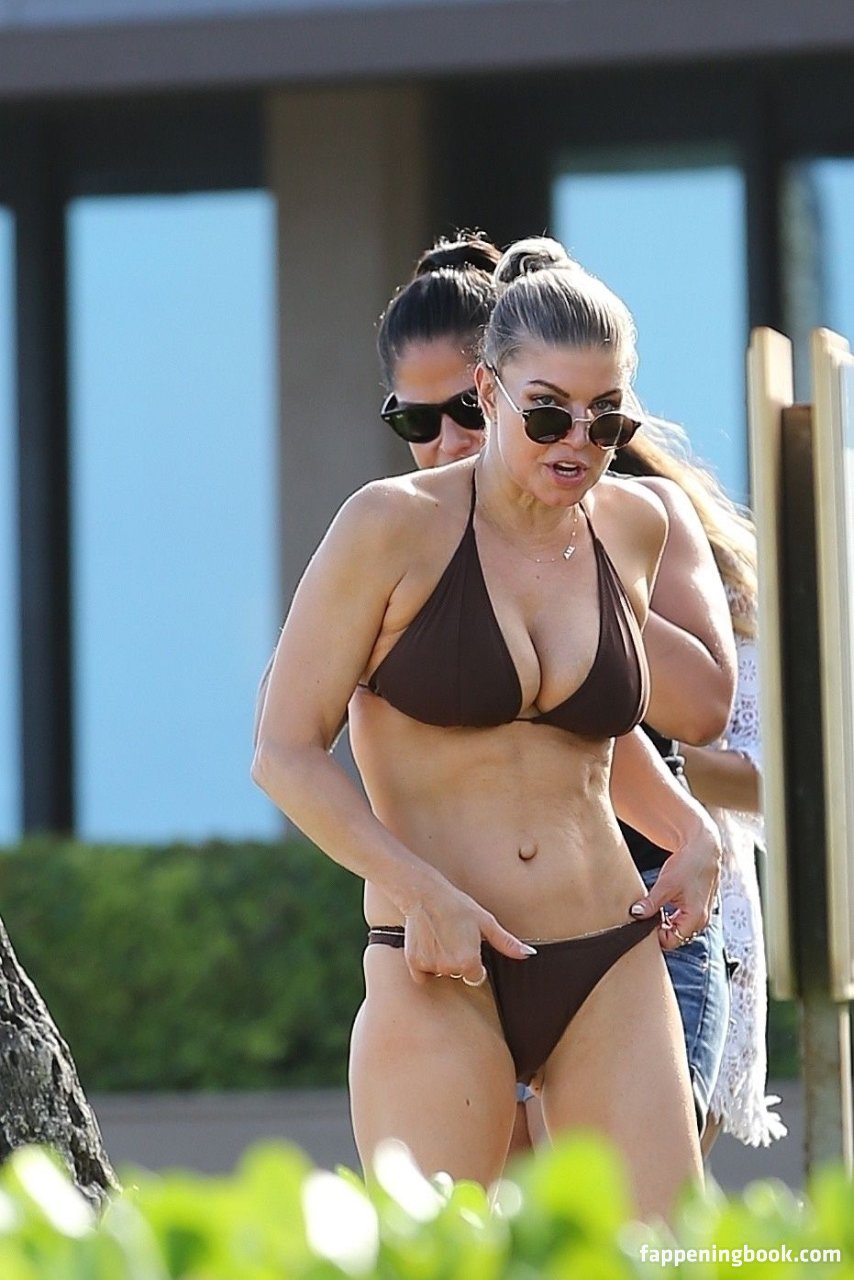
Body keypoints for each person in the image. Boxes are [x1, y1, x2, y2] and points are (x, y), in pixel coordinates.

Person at [252, 233, 723, 1219]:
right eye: (547, 412)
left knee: (671, 1258)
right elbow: (283, 752)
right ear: (489, 389)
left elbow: (592, 739)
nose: (575, 441)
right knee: (444, 1259)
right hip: (438, 957)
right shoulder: (387, 525)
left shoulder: (630, 527)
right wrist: (417, 889)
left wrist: (691, 831)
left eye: (605, 419)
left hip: (605, 950)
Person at [618, 423, 786, 1149]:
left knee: (657, 1175)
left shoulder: (715, 597)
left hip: (691, 899)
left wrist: (647, 748)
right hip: (562, 896)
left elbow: (771, 777)